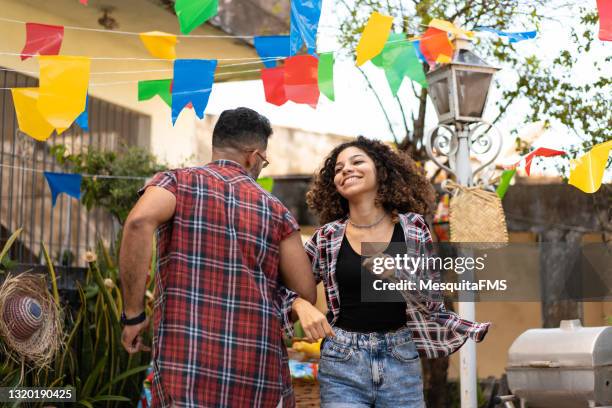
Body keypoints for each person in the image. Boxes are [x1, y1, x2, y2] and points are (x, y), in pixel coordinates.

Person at [119, 107, 317, 408]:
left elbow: (137, 222)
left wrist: (133, 315)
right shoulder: (278, 212)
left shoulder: (176, 183)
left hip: (184, 374)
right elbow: (305, 292)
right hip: (256, 376)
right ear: (253, 155)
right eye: (264, 160)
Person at [281, 136, 490, 408]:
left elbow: (431, 299)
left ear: (381, 170)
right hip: (343, 361)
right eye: (339, 169)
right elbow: (278, 285)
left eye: (357, 162)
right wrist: (299, 304)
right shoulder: (327, 237)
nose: (346, 170)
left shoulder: (412, 228)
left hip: (400, 359)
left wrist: (399, 275)